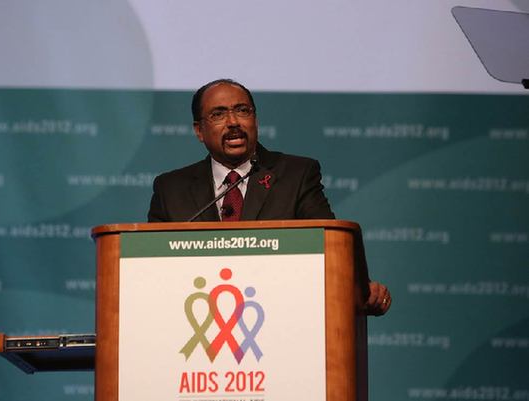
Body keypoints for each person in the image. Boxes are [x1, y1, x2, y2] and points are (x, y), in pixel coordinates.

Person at [148, 78, 391, 316]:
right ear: (199, 130)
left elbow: (329, 247)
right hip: (196, 319)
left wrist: (360, 288)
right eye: (218, 114)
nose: (233, 122)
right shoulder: (171, 188)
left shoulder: (296, 175)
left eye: (242, 111)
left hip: (281, 317)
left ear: (255, 119)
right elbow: (151, 267)